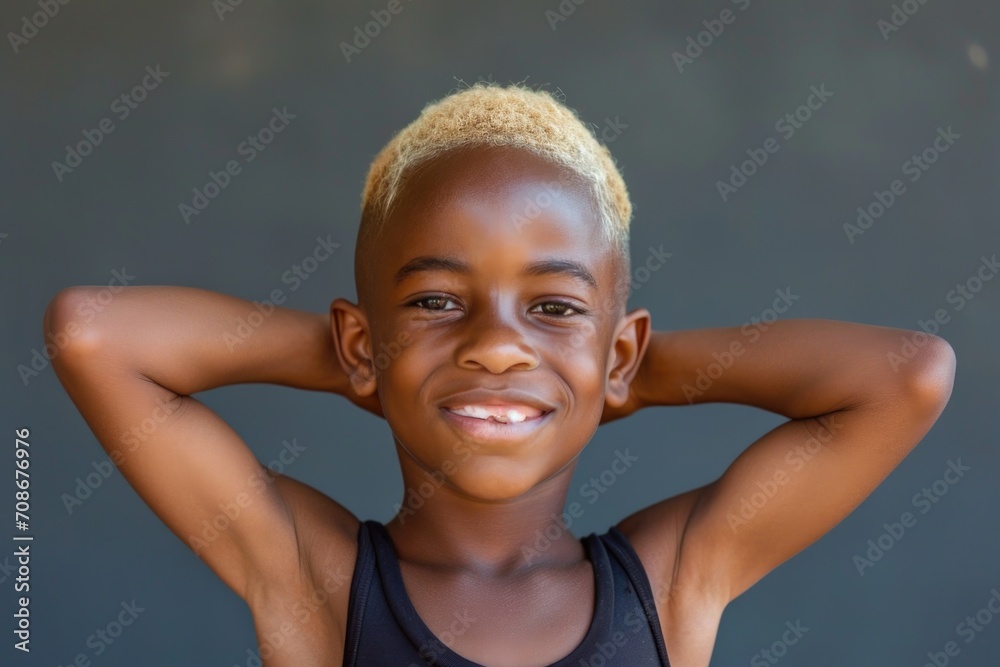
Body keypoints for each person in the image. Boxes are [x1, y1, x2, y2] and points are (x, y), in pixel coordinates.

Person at [45, 82, 956, 666]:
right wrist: (390, 367)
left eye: (553, 307)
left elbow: (907, 376)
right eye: (439, 302)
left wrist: (606, 375)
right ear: (361, 344)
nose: (498, 344)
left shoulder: (669, 583)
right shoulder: (316, 580)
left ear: (621, 349)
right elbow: (93, 334)